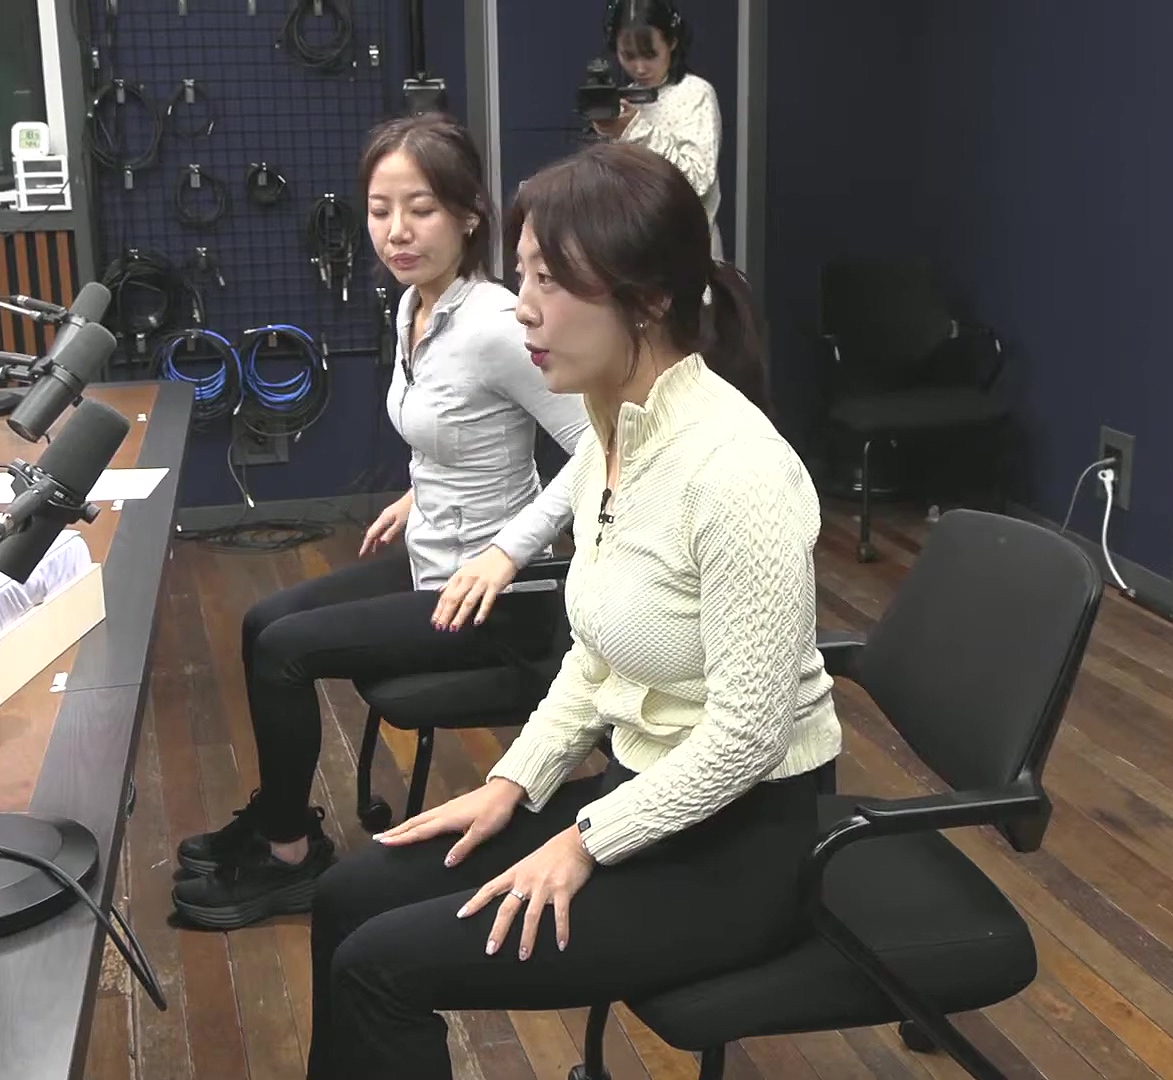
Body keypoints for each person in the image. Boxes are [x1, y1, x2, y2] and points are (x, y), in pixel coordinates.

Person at [302, 141, 842, 1079]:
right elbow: (594, 657)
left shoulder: (737, 472)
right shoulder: (607, 432)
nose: (523, 307)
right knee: (346, 898)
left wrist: (586, 838)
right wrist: (513, 783)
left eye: (550, 281)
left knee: (379, 968)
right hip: (642, 794)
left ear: (648, 300)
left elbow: (747, 739)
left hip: (742, 842)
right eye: (522, 275)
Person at [169, 113, 590, 931]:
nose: (397, 231)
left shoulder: (499, 325)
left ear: (469, 215)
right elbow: (455, 434)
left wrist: (509, 553)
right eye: (379, 209)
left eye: (421, 209)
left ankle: (288, 858)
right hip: (434, 555)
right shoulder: (412, 307)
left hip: (498, 599)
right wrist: (416, 492)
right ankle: (280, 813)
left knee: (286, 652)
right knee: (262, 622)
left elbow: (601, 447)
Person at [592, 0, 724, 259]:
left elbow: (697, 182)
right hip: (631, 250)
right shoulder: (622, 101)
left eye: (650, 54)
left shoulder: (695, 93)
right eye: (628, 56)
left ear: (672, 42)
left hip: (685, 253)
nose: (640, 68)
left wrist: (635, 130)